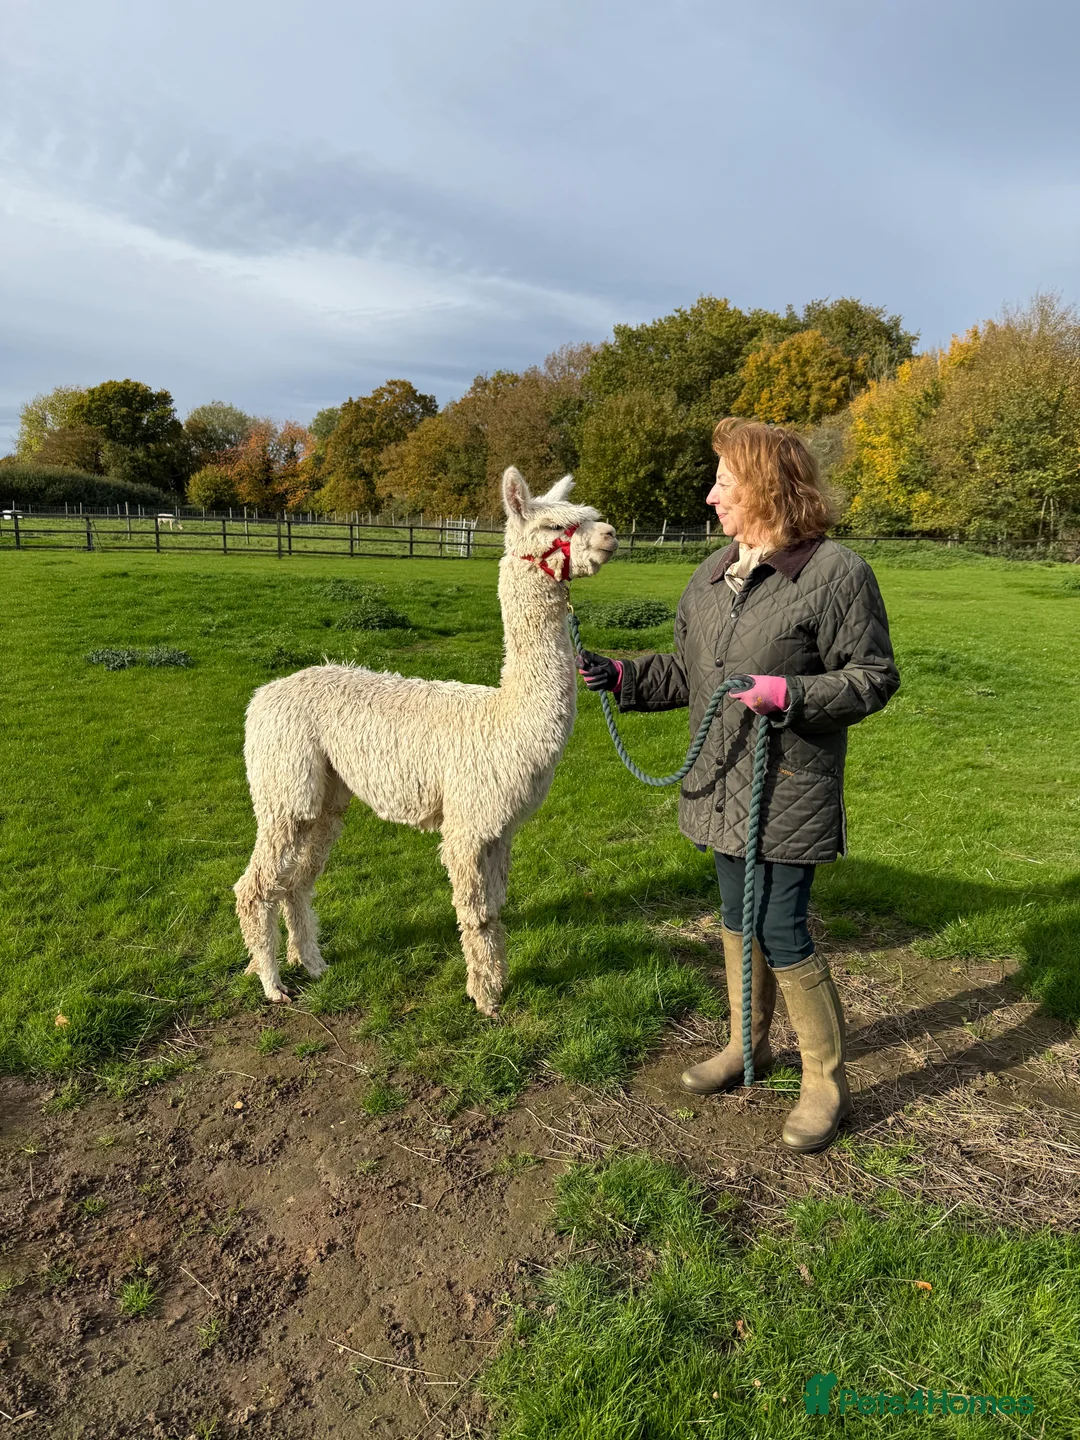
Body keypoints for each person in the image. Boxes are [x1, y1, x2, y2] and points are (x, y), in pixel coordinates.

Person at [578, 418, 900, 1153]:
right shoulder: (710, 575)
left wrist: (787, 693)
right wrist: (625, 676)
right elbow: (695, 675)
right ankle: (746, 1047)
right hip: (720, 782)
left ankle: (825, 1084)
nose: (710, 494)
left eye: (723, 480)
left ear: (763, 486)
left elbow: (874, 678)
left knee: (780, 928)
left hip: (786, 785)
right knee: (733, 918)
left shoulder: (835, 573)